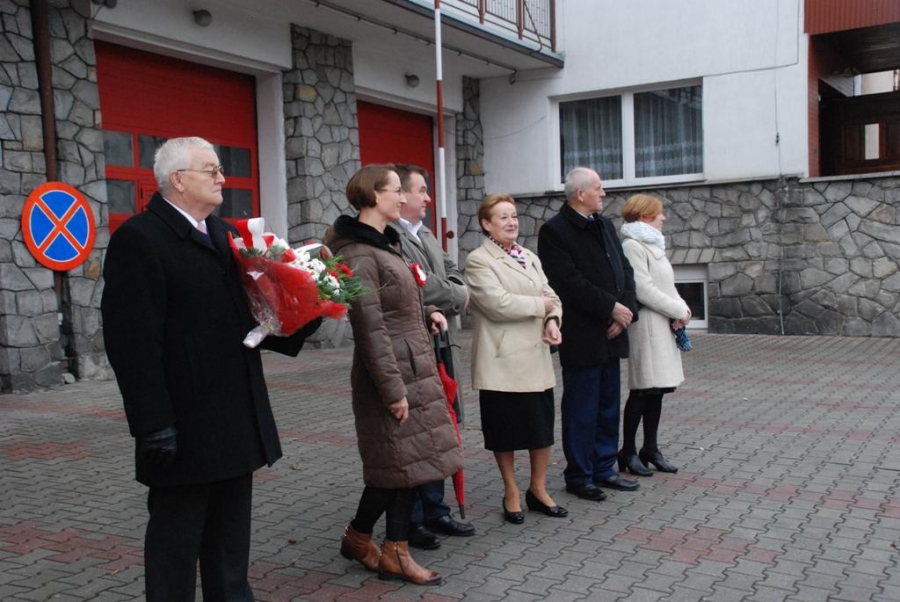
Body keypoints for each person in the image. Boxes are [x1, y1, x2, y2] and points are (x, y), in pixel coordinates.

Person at [101, 136, 319, 602]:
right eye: (212, 170)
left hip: (235, 419)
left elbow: (250, 316)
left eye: (220, 168)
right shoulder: (140, 239)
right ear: (178, 180)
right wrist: (153, 423)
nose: (222, 178)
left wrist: (307, 309)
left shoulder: (222, 234)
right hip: (183, 426)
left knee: (229, 548)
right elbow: (131, 343)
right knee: (175, 549)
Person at [326, 164, 464, 586]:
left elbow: (399, 300)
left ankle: (370, 542)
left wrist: (428, 310)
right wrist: (393, 390)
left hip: (412, 366)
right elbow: (370, 328)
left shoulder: (384, 243)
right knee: (397, 468)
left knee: (405, 467)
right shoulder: (358, 253)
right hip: (393, 374)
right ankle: (392, 552)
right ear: (373, 196)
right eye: (395, 190)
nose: (403, 197)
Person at [537, 167, 640, 502]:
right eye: (598, 188)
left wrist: (625, 312)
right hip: (583, 335)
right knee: (582, 408)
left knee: (608, 405)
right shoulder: (555, 231)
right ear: (580, 194)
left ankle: (604, 468)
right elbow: (568, 283)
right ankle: (580, 475)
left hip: (612, 330)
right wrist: (611, 308)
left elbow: (624, 270)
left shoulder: (604, 224)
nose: (603, 193)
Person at [465, 194, 567, 524]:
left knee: (541, 430)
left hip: (535, 356)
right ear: (486, 224)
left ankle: (538, 489)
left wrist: (552, 320)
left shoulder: (529, 256)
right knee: (505, 431)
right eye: (503, 217)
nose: (512, 222)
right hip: (502, 360)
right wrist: (541, 306)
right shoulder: (479, 260)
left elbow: (552, 296)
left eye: (514, 216)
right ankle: (510, 491)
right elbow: (497, 304)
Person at [388, 164, 475, 549]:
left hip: (440, 343)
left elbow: (451, 273)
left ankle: (437, 510)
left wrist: (453, 291)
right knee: (417, 434)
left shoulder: (423, 232)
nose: (427, 198)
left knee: (440, 428)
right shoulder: (390, 236)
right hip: (414, 347)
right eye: (421, 190)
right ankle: (414, 519)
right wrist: (456, 295)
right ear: (401, 194)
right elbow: (418, 286)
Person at [618, 194, 691, 476]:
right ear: (644, 216)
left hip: (662, 325)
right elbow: (643, 290)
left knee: (658, 390)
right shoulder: (632, 246)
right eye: (659, 213)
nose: (663, 217)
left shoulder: (654, 244)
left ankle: (650, 448)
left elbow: (667, 285)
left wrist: (683, 310)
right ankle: (627, 451)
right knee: (642, 389)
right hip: (647, 328)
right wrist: (677, 309)